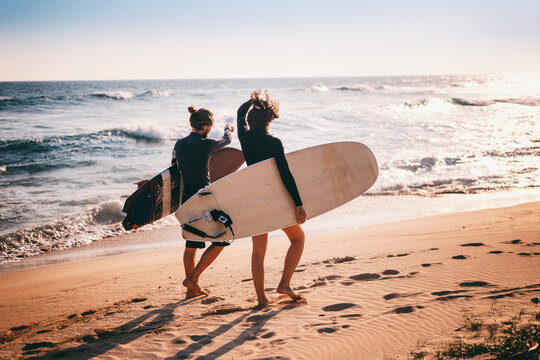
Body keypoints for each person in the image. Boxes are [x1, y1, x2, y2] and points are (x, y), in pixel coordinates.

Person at [237, 90, 307, 308]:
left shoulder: (245, 139)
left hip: (256, 200)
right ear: (270, 119)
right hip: (276, 200)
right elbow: (285, 175)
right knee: (298, 239)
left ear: (250, 119)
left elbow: (239, 113)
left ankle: (261, 298)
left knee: (258, 251)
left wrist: (252, 101)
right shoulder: (274, 143)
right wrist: (298, 204)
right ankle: (284, 284)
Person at [173, 105, 234, 298]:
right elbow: (227, 140)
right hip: (204, 199)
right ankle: (193, 279)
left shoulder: (179, 144)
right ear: (207, 127)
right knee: (224, 238)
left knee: (191, 245)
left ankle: (192, 289)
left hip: (186, 200)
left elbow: (173, 171)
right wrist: (227, 128)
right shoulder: (206, 144)